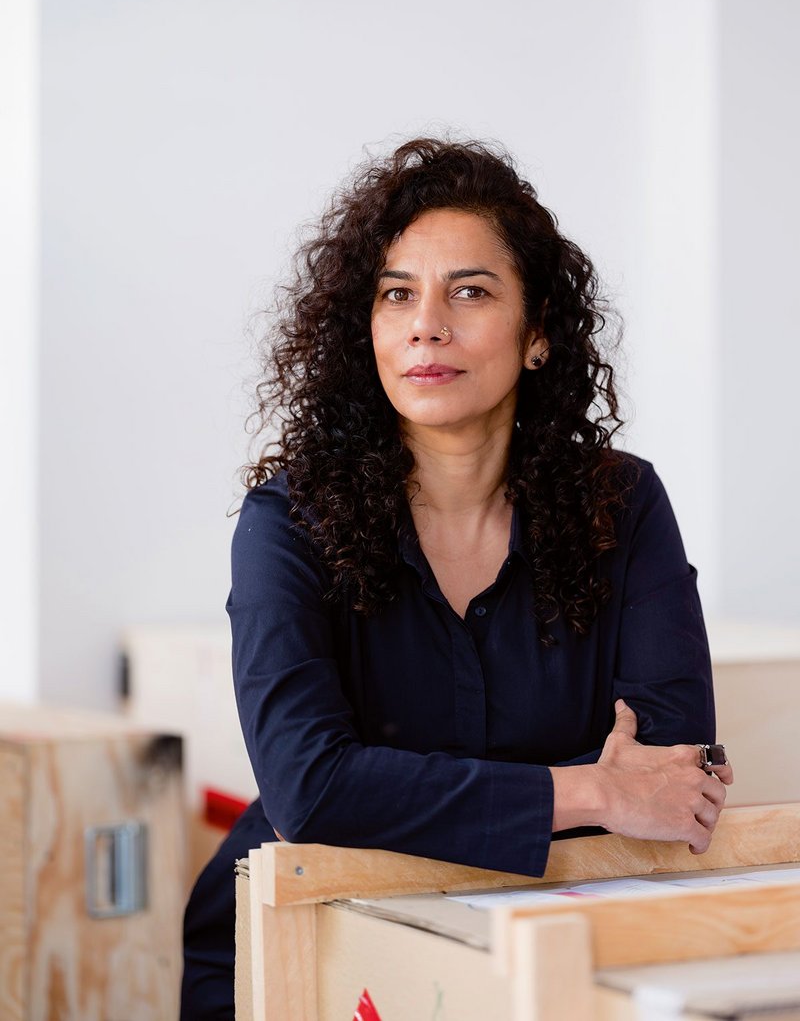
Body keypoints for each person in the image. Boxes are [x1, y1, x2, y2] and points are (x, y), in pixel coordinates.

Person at [180, 137, 733, 1019]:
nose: (425, 325)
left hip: (540, 938)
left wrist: (406, 794)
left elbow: (670, 772)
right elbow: (313, 788)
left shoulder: (621, 503)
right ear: (366, 329)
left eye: (469, 291)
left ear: (540, 331)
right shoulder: (288, 523)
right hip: (306, 938)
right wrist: (587, 789)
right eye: (397, 293)